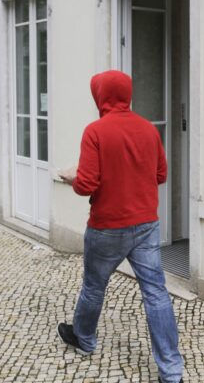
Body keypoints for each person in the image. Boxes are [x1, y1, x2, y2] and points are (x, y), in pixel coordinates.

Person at [57, 70, 184, 383]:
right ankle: (171, 372)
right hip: (146, 224)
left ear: (100, 96)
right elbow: (160, 175)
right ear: (127, 94)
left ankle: (84, 339)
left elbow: (87, 184)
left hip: (107, 227)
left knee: (93, 285)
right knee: (156, 294)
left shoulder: (95, 131)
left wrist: (72, 178)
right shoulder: (149, 130)